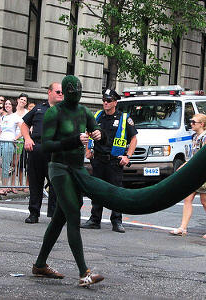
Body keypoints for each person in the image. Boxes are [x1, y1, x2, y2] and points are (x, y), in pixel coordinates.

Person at [32, 75, 104, 286]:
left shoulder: (83, 111)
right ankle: (84, 272)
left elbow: (97, 129)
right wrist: (74, 140)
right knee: (73, 214)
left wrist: (99, 134)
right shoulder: (54, 112)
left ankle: (40, 264)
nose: (76, 96)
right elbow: (46, 145)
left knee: (59, 219)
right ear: (65, 92)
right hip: (59, 168)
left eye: (78, 93)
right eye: (73, 93)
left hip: (76, 169)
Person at [80, 88, 138, 233]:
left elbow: (133, 139)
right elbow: (88, 133)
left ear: (115, 102)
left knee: (116, 192)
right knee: (97, 190)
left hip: (114, 161)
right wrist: (87, 150)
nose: (105, 103)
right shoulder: (98, 116)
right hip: (98, 159)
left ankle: (117, 221)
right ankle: (94, 219)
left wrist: (127, 156)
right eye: (104, 100)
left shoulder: (124, 118)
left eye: (108, 101)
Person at [169, 113, 206, 239]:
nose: (191, 124)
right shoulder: (194, 137)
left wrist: (187, 165)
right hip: (194, 174)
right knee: (187, 199)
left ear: (201, 124)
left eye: (193, 122)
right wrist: (185, 165)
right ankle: (182, 228)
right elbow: (192, 157)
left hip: (204, 174)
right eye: (191, 121)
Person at [22, 83, 63, 223]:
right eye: (58, 91)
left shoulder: (65, 110)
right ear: (49, 92)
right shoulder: (39, 108)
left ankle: (54, 215)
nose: (61, 94)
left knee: (55, 184)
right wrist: (27, 138)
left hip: (55, 151)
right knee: (35, 183)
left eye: (62, 92)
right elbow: (24, 124)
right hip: (37, 149)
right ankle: (34, 213)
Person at [0, 99, 22, 196]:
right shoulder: (3, 117)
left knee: (6, 167)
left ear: (13, 106)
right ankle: (6, 168)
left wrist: (15, 138)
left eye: (9, 104)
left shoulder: (16, 117)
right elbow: (0, 131)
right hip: (1, 142)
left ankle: (3, 188)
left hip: (9, 143)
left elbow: (23, 129)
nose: (7, 105)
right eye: (6, 104)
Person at [11, 93, 29, 194]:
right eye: (21, 99)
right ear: (18, 100)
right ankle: (13, 184)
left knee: (24, 164)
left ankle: (24, 185)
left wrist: (18, 138)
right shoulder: (13, 112)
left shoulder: (27, 112)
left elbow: (27, 127)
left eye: (24, 101)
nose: (22, 102)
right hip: (11, 140)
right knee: (14, 164)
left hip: (23, 139)